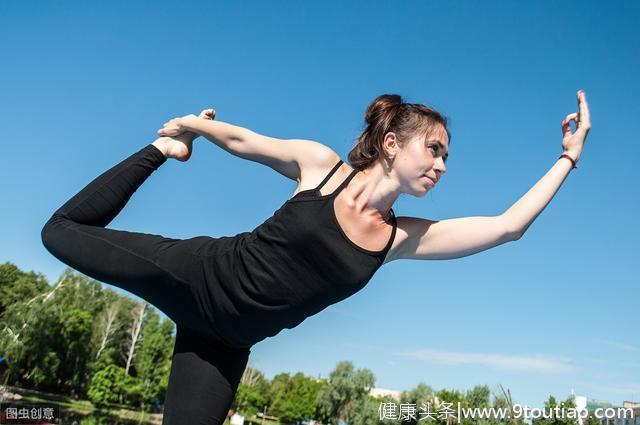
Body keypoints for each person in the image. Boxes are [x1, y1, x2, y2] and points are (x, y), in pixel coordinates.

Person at [40, 91, 591, 424]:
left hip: (224, 345)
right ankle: (158, 153)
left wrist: (567, 158)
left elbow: (507, 227)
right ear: (394, 143)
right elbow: (242, 140)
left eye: (447, 156)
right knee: (60, 232)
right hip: (196, 276)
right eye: (435, 149)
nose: (443, 165)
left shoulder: (400, 238)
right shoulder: (320, 167)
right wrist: (188, 129)